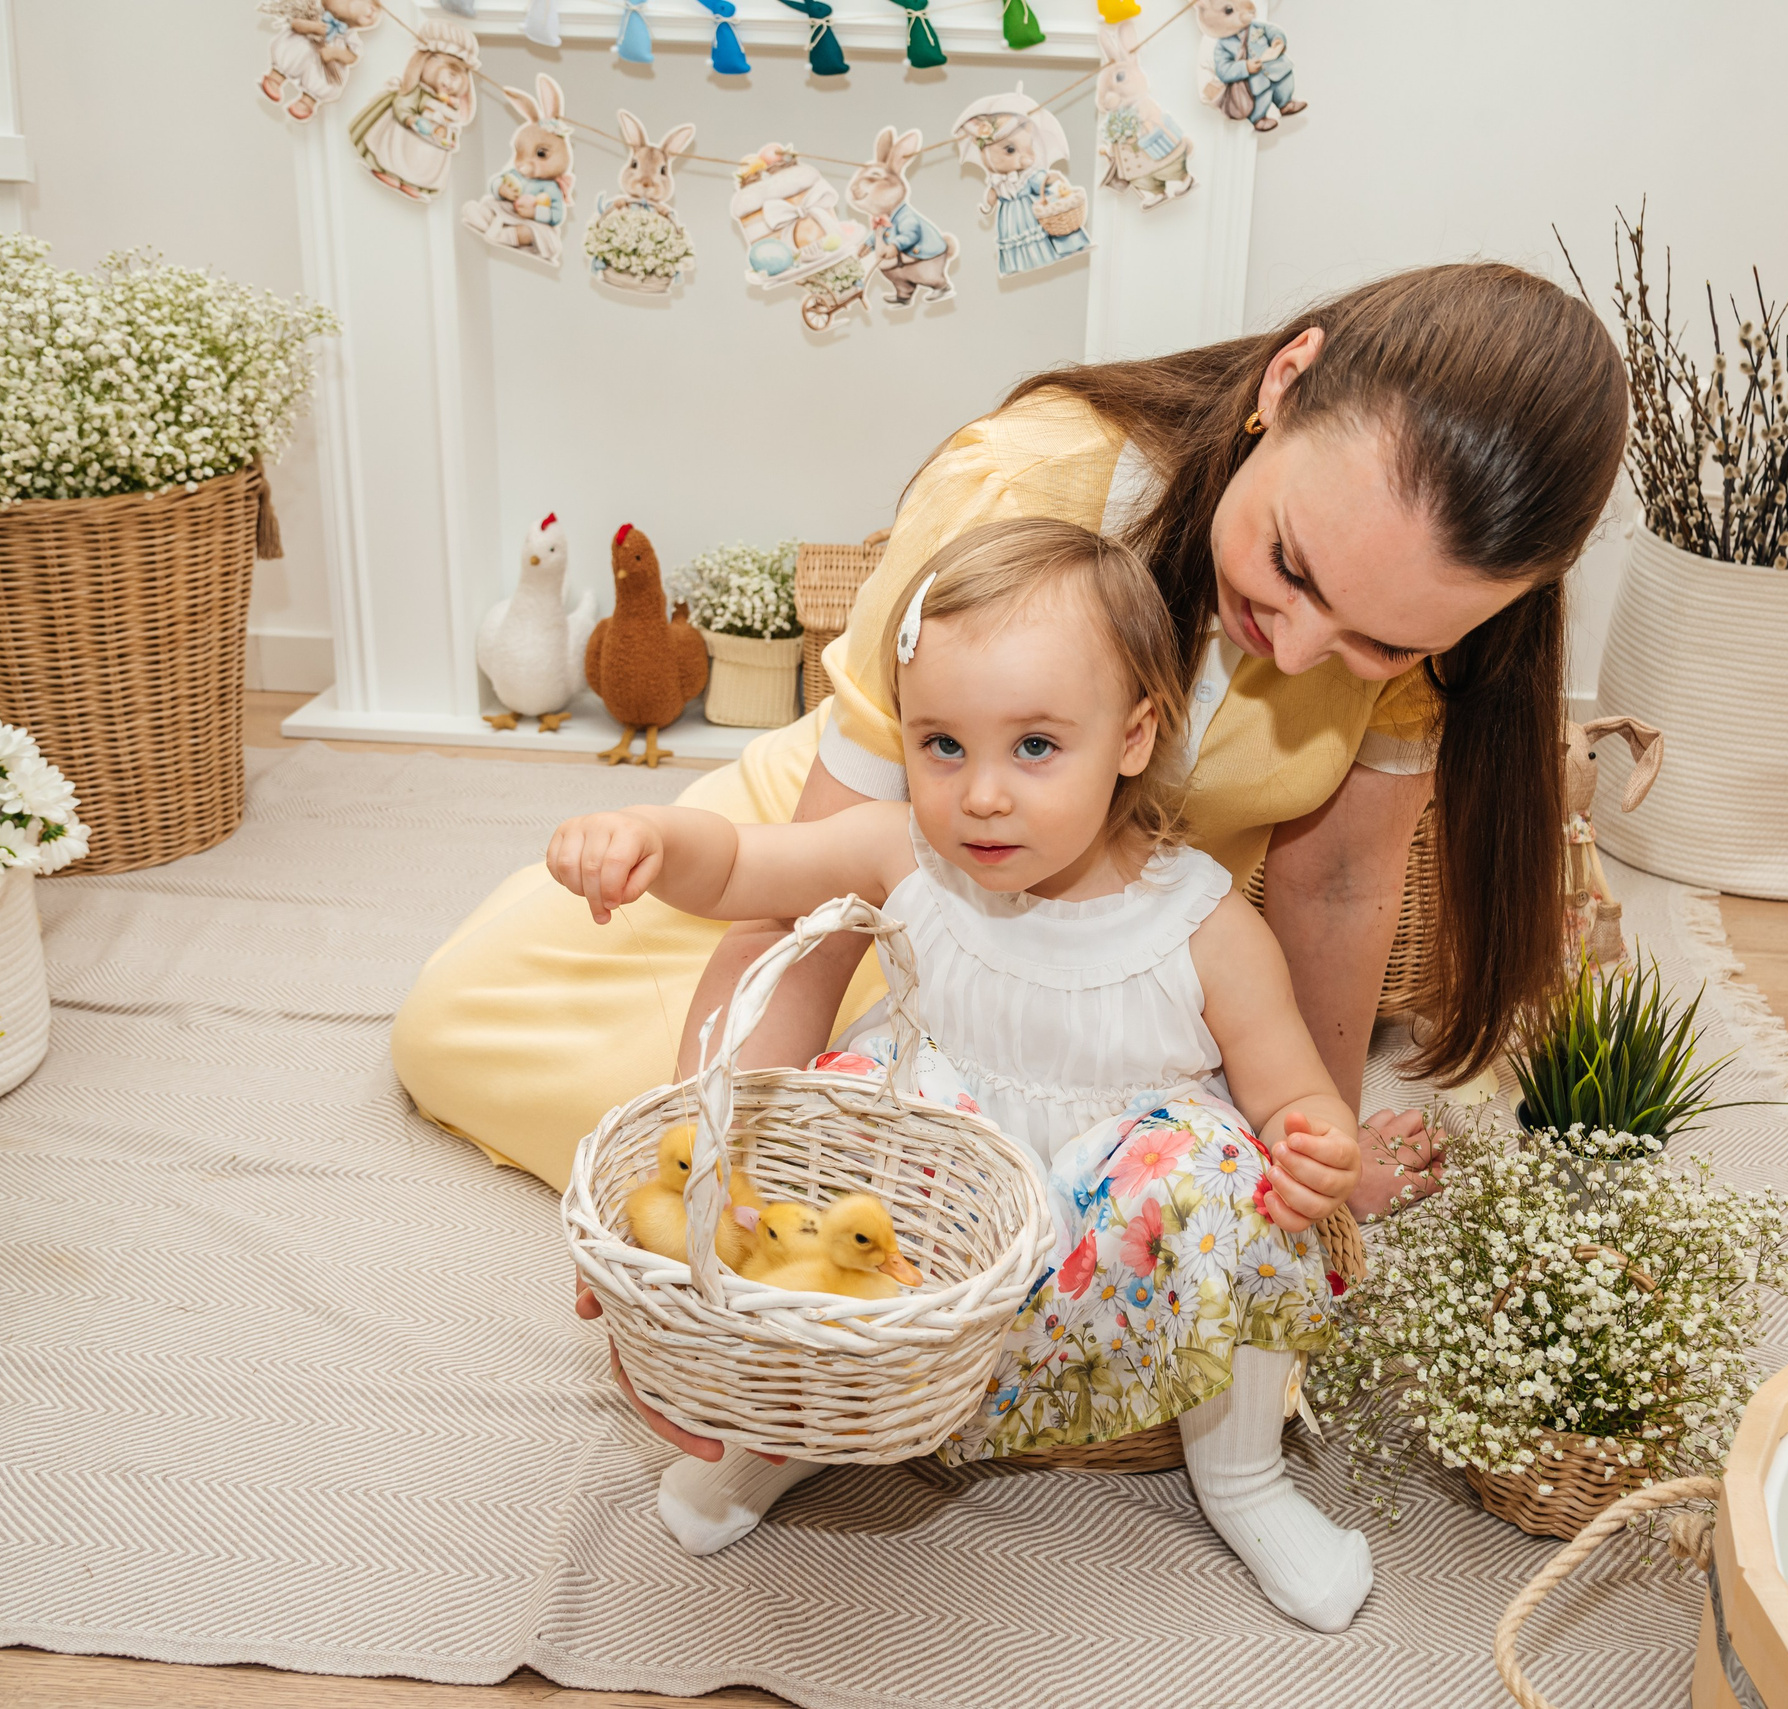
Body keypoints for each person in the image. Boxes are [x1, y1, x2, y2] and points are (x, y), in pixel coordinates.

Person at [392, 263, 1630, 1223]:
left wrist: (1307, 1148)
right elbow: (807, 903)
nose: (1303, 650)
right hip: (897, 851)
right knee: (485, 1035)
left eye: (1376, 645)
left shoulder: (1429, 620)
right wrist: (706, 1185)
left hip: (1125, 931)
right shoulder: (1030, 481)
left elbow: (1340, 882)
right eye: (1289, 569)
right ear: (1284, 384)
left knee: (1087, 1186)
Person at [552, 521, 1373, 1628]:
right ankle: (789, 1428)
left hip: (1101, 1240)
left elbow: (1290, 1092)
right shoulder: (907, 855)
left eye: (1034, 746)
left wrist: (1315, 1138)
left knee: (1237, 1183)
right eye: (943, 744)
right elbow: (746, 863)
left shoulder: (1204, 925)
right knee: (822, 1127)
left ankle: (1239, 1476)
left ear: (1133, 737)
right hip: (922, 1235)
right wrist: (649, 834)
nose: (980, 794)